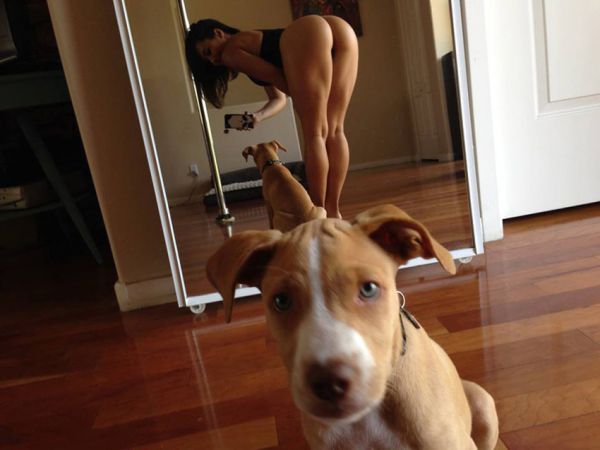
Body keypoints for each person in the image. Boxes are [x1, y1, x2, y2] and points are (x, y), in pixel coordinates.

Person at [185, 15, 358, 219]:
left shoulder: (231, 52)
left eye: (208, 51)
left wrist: (306, 98)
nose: (213, 60)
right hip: (340, 29)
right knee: (335, 130)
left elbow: (278, 77)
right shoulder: (251, 44)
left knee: (315, 134)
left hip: (307, 32)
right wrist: (258, 116)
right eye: (207, 60)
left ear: (218, 33)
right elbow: (279, 98)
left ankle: (316, 215)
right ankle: (333, 211)